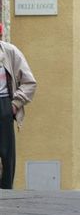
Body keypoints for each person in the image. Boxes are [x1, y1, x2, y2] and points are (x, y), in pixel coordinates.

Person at [0, 24, 37, 189]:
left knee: (6, 151)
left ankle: (6, 188)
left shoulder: (10, 52)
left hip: (3, 104)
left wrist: (14, 105)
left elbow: (29, 82)